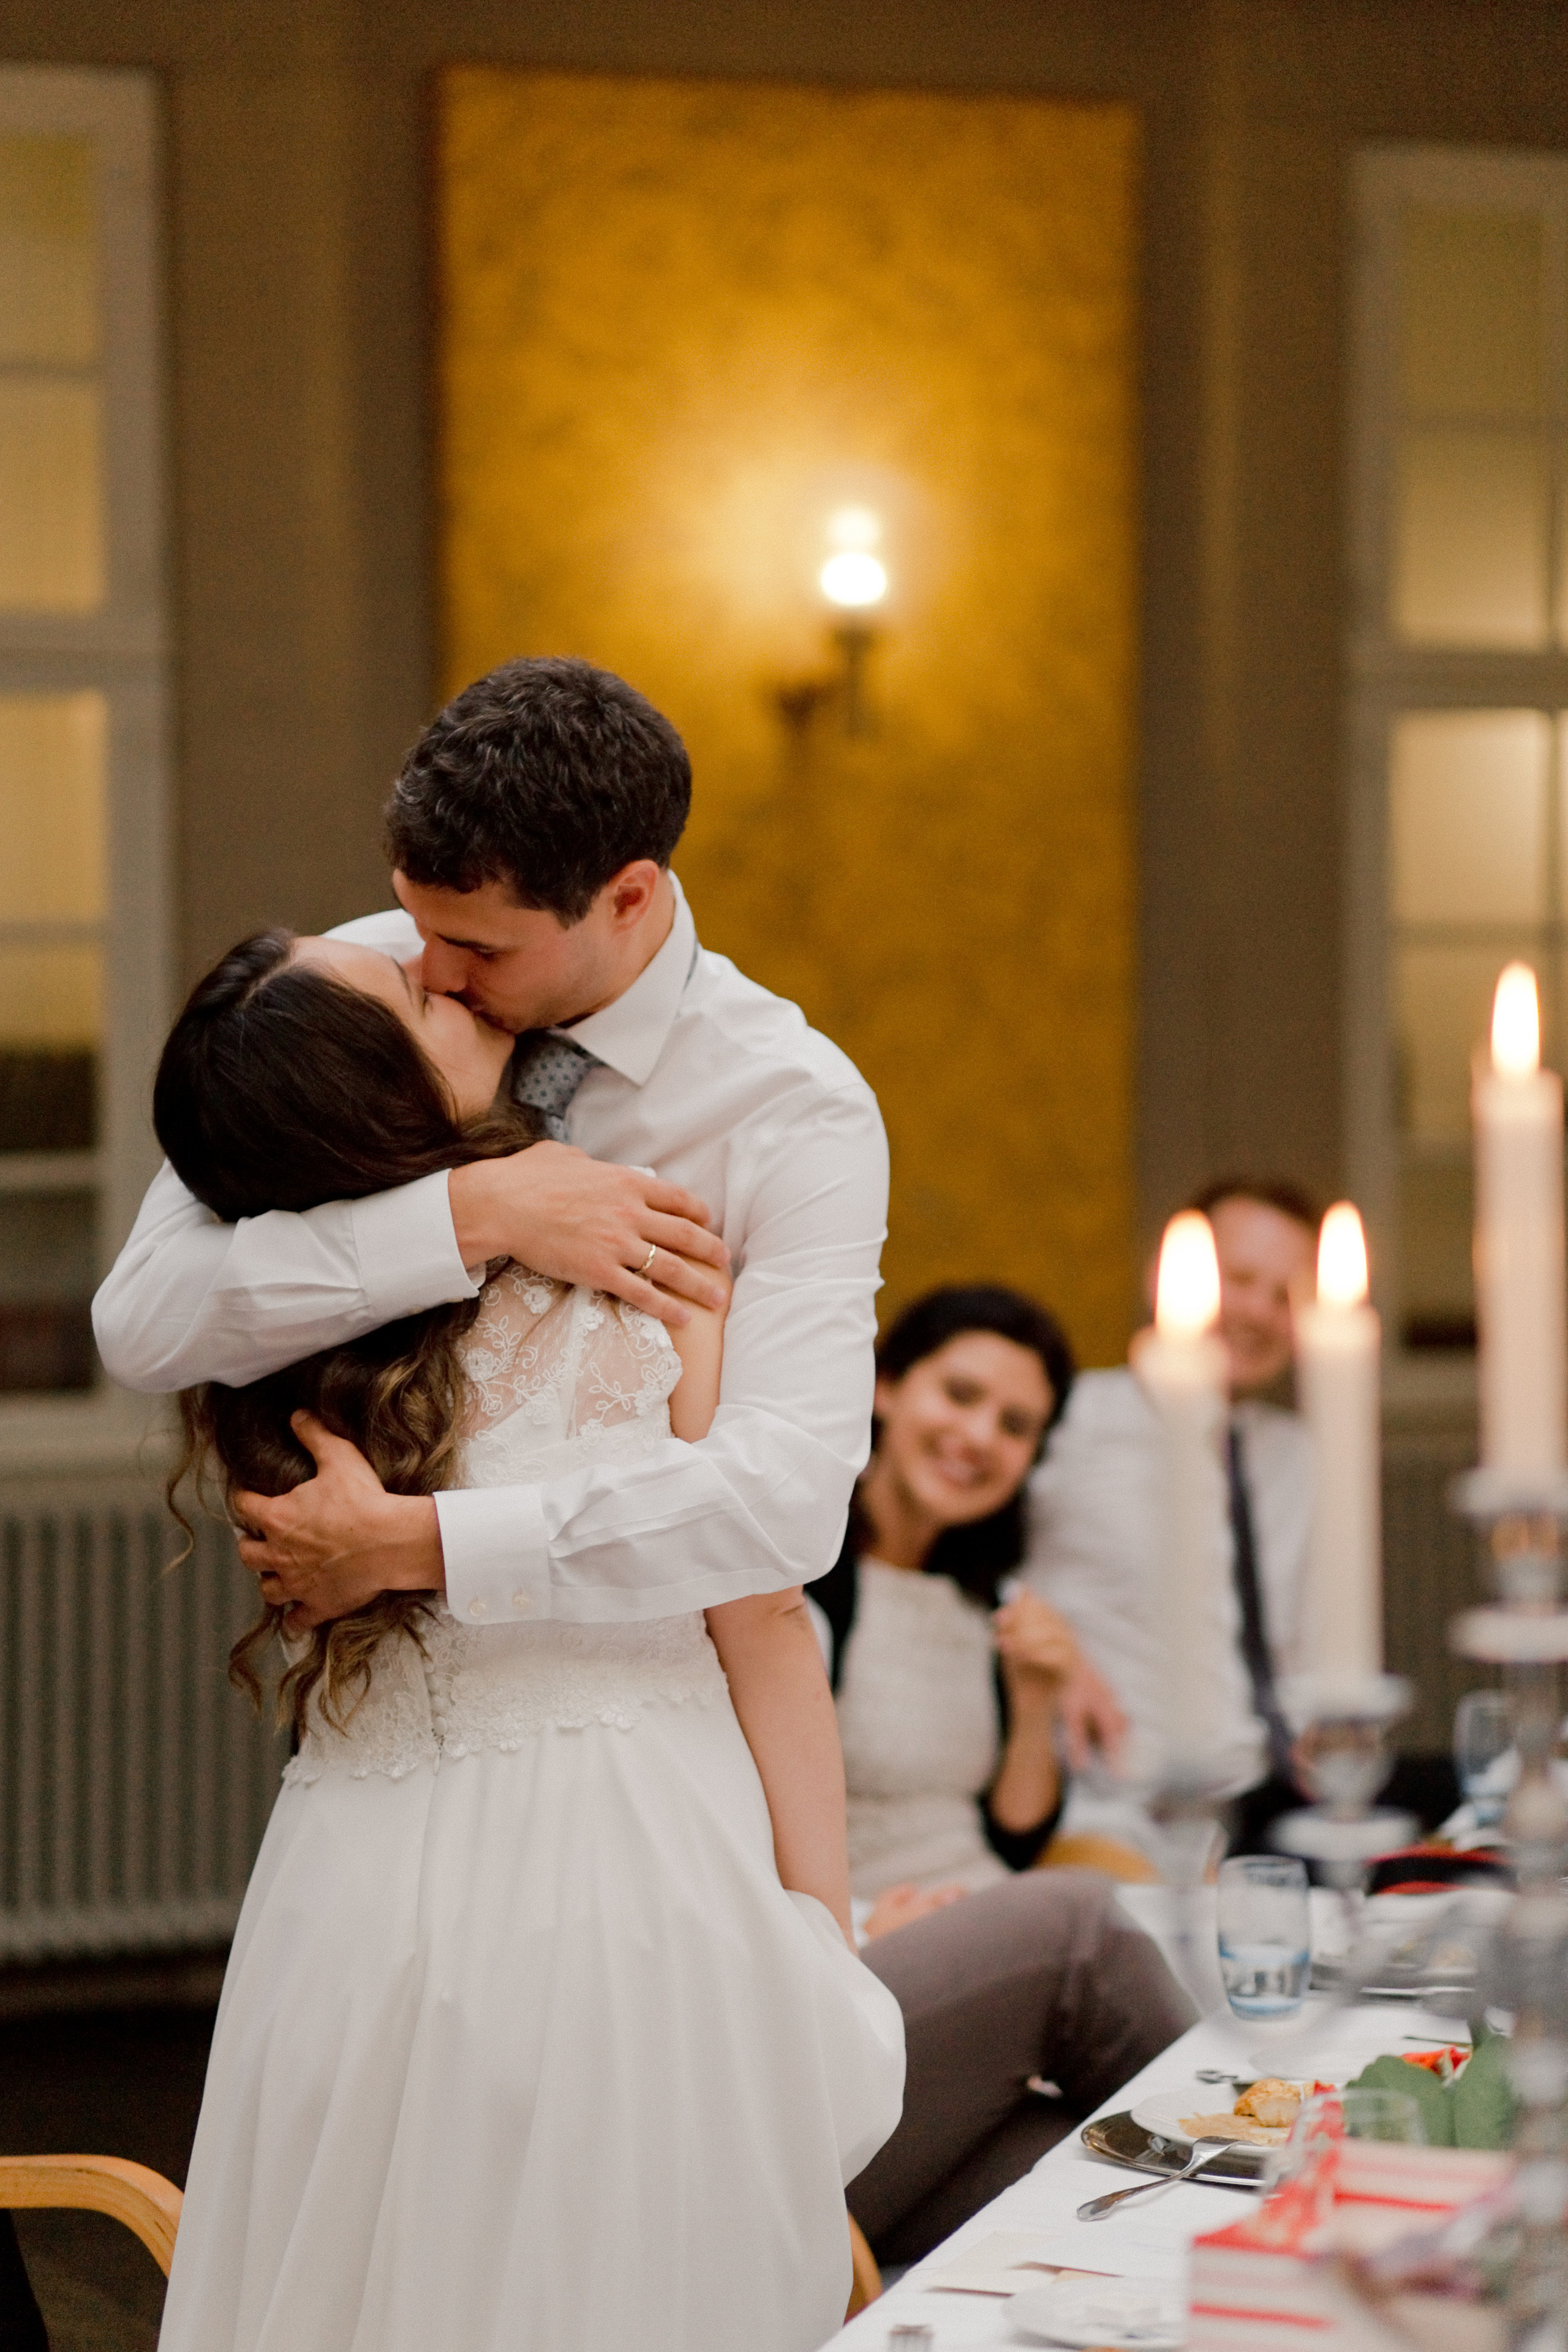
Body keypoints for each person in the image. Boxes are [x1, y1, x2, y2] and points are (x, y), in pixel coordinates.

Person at [152, 930, 905, 2352]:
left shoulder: (281, 1339)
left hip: (348, 1892)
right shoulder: (643, 1275)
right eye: (404, 992)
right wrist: (821, 1925)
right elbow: (763, 1621)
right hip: (621, 1872)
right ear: (375, 1100)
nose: (433, 968)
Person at [92, 655, 889, 1641]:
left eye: (483, 949)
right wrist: (476, 1216)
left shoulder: (795, 1108)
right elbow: (142, 1322)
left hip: (638, 1710)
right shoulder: (377, 979)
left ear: (628, 898)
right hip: (376, 1717)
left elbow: (787, 1502)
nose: (432, 967)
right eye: (417, 923)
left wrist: (418, 1544)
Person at [817, 1286, 1193, 2266]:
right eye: (961, 1394)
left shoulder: (984, 1596)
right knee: (1078, 1916)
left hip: (978, 1972)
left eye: (1016, 1424)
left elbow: (1012, 1828)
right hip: (853, 1969)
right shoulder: (799, 1578)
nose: (980, 1436)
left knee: (1109, 2171)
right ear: (888, 1387)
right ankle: (1291, 2164)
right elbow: (728, 1823)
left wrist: (1035, 1700)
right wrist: (860, 1925)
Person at [1025, 1178, 1319, 1861]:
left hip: (1267, 1809)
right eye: (1238, 1278)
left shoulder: (1302, 1460)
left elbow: (1305, 1650)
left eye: (1286, 1296)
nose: (1257, 1311)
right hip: (1106, 1810)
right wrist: (1045, 1644)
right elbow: (964, 1567)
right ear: (1170, 1277)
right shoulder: (1069, 1419)